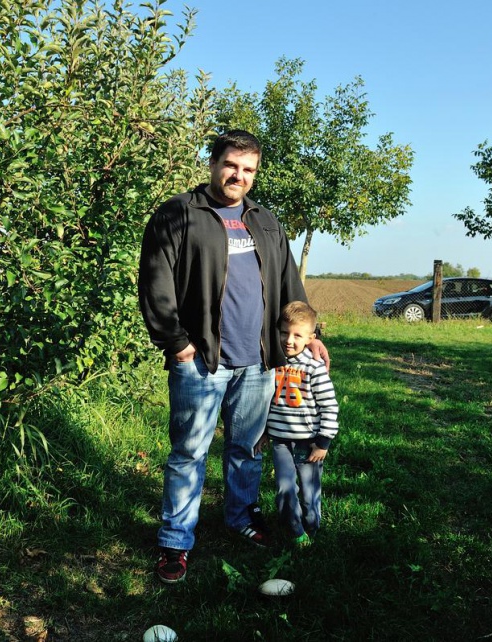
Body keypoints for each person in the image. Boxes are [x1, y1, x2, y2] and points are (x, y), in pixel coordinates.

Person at [137, 130, 327, 584]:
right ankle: (175, 540)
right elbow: (155, 283)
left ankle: (240, 517)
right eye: (231, 165)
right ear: (213, 162)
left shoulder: (265, 222)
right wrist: (178, 344)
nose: (238, 176)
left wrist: (310, 334)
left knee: (246, 449)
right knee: (189, 452)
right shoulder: (178, 214)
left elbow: (288, 286)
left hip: (259, 361)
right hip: (201, 360)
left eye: (248, 170)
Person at [256, 301, 339, 548]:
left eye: (297, 335)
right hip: (280, 441)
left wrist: (323, 442)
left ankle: (311, 524)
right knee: (284, 487)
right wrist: (264, 433)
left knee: (309, 490)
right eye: (284, 333)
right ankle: (294, 529)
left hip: (309, 442)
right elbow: (265, 402)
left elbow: (330, 406)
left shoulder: (314, 368)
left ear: (311, 338)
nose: (289, 340)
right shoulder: (272, 363)